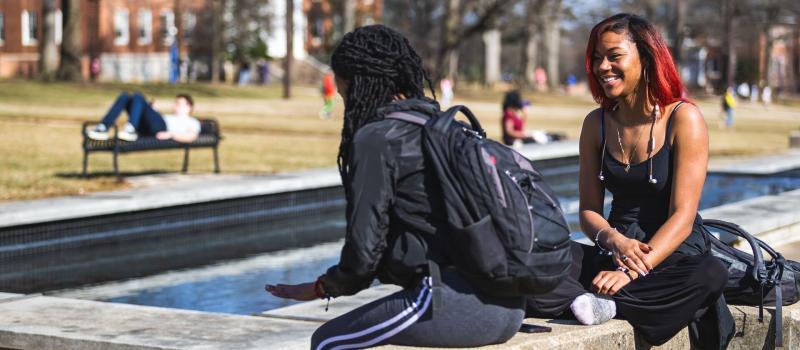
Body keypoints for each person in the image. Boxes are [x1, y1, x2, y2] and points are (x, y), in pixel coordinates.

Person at [265, 25, 524, 349]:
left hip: (454, 304)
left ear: (357, 84)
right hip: (509, 307)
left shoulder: (377, 139)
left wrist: (321, 287)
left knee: (327, 341)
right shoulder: (443, 126)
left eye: (344, 90)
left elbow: (362, 259)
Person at [525, 14, 734, 349]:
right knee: (534, 257)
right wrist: (613, 240)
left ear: (646, 57)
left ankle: (606, 303)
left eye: (614, 56)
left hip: (672, 254)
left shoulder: (684, 118)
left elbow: (683, 216)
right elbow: (589, 212)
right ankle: (602, 302)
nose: (602, 66)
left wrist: (632, 272)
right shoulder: (596, 124)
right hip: (615, 249)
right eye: (596, 58)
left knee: (710, 274)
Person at [87, 92, 200, 143]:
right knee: (125, 96)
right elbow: (155, 120)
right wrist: (152, 111)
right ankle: (103, 128)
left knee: (138, 96)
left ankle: (130, 130)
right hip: (153, 125)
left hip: (163, 128)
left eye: (179, 103)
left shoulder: (192, 122)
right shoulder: (170, 116)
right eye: (175, 103)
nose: (176, 106)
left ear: (189, 107)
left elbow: (191, 137)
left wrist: (171, 134)